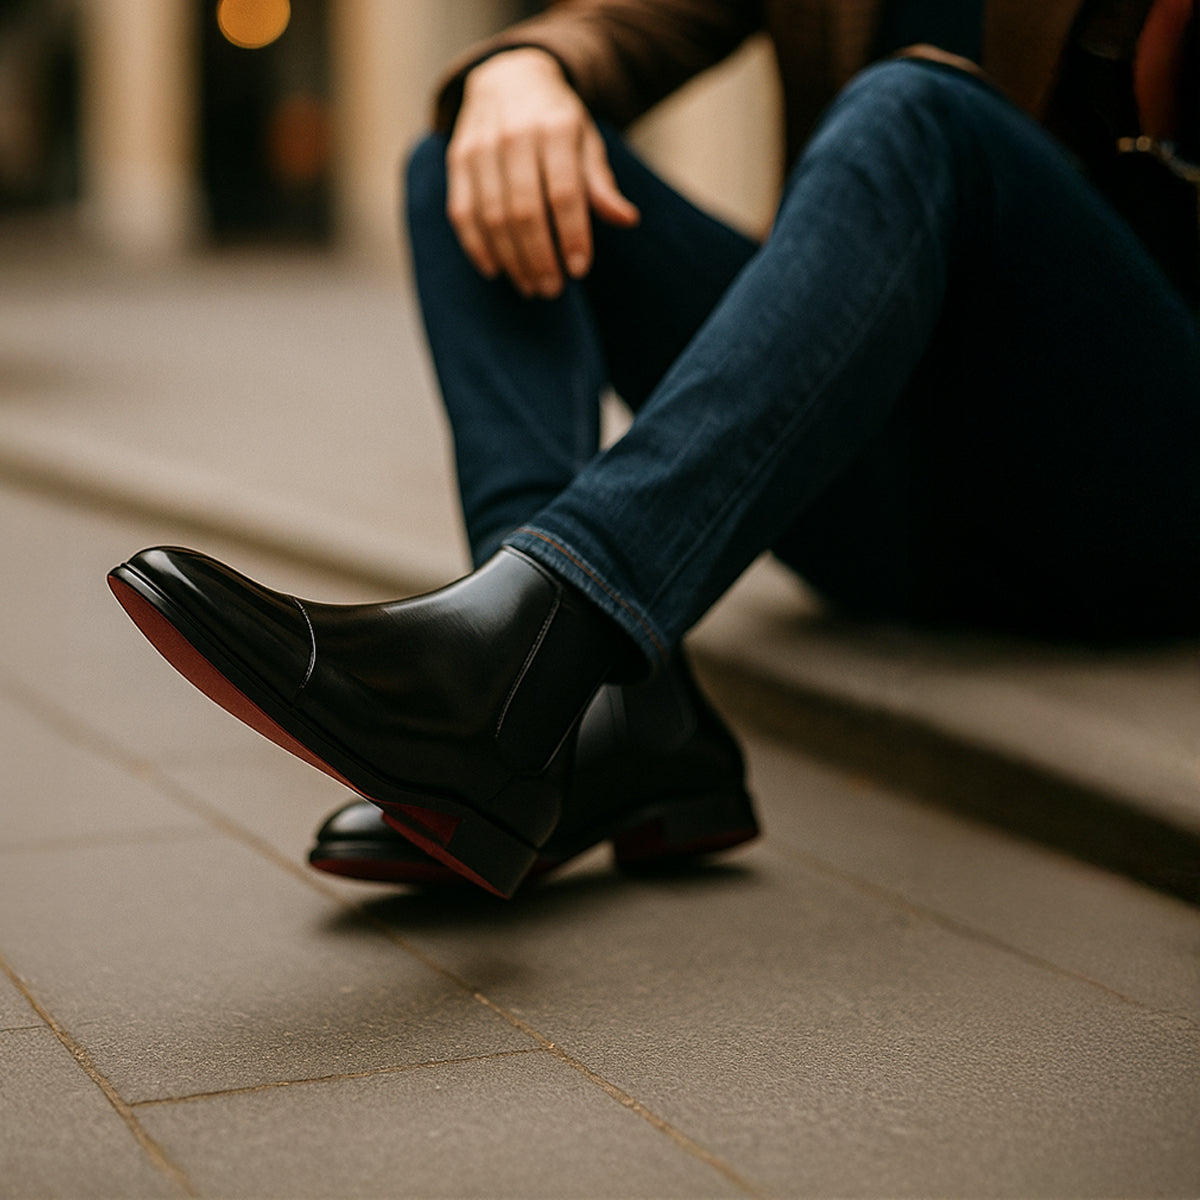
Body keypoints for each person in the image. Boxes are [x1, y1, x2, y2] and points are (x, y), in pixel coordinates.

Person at [108, 0, 1200, 898]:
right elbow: (629, 19)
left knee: (915, 110)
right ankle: (581, 719)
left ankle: (516, 664)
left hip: (1125, 497)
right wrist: (525, 67)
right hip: (882, 498)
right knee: (471, 157)